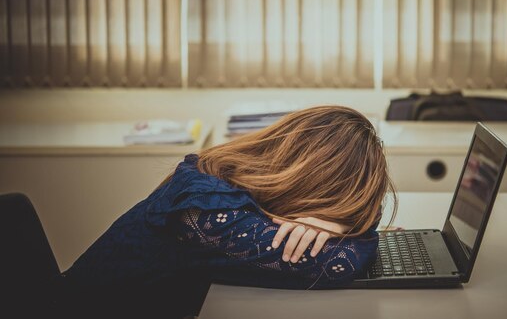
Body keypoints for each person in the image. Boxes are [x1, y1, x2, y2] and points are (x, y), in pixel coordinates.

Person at [60, 105, 398, 318]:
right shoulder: (205, 212)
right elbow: (338, 266)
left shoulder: (228, 178)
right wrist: (354, 232)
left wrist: (336, 222)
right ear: (309, 185)